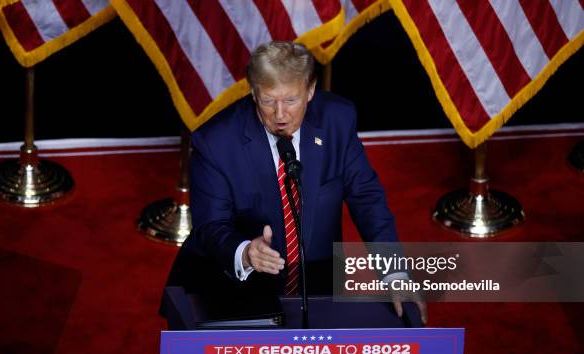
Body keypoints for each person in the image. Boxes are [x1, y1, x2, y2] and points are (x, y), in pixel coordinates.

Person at [165, 41, 426, 323]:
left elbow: (367, 198)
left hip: (317, 284)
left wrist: (395, 272)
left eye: (291, 100)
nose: (280, 115)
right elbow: (211, 226)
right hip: (231, 287)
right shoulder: (215, 142)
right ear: (253, 93)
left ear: (310, 90)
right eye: (268, 101)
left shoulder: (337, 121)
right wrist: (245, 253)